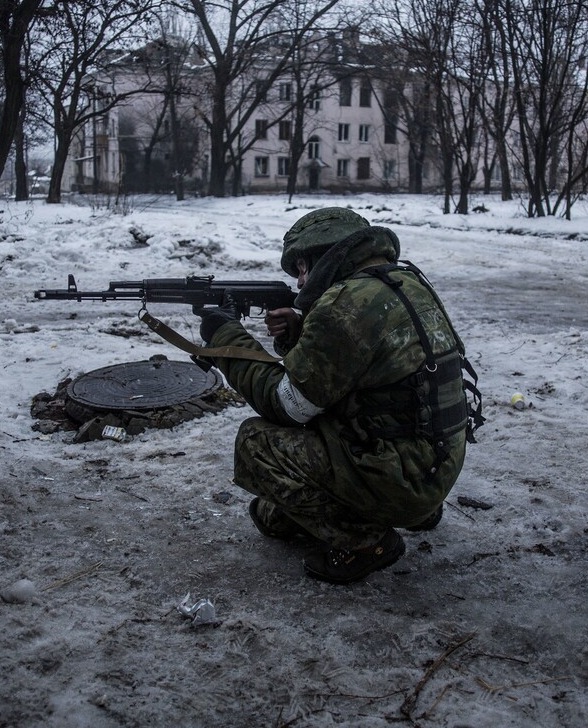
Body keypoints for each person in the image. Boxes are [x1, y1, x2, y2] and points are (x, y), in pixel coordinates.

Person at [197, 207, 478, 584]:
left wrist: (226, 337)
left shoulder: (344, 305)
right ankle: (410, 508)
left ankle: (367, 541)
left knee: (256, 441)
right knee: (275, 514)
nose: (299, 284)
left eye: (300, 268)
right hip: (437, 464)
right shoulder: (405, 280)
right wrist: (301, 333)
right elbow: (367, 368)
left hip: (405, 477)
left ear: (322, 256)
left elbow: (287, 404)